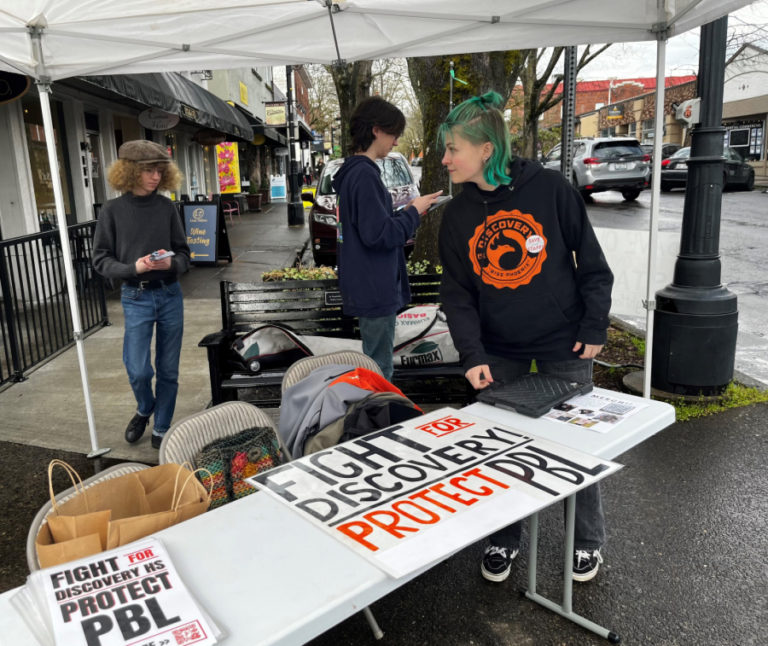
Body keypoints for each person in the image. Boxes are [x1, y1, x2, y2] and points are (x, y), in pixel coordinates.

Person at [437, 92, 614, 584]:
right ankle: (502, 536)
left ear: (486, 149)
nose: (446, 159)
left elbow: (593, 267)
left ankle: (586, 541)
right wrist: (471, 353)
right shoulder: (456, 216)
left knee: (577, 446)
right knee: (500, 449)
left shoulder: (552, 190)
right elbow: (457, 295)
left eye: (453, 149)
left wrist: (594, 326)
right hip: (498, 350)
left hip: (565, 342)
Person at [333, 96, 442, 380]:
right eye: (394, 134)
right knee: (380, 371)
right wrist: (413, 214)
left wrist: (407, 211)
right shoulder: (365, 176)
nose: (395, 142)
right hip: (375, 287)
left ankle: (374, 416)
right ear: (376, 130)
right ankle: (378, 420)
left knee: (376, 364)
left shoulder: (354, 174)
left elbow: (371, 227)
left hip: (366, 284)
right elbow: (379, 236)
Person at [93, 140, 191, 449]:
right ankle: (145, 407)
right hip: (136, 296)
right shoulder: (112, 211)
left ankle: (162, 425)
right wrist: (133, 268)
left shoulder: (166, 207)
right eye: (149, 170)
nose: (156, 177)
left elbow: (186, 255)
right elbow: (100, 260)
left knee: (168, 369)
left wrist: (171, 263)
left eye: (160, 171)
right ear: (130, 171)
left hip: (169, 294)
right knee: (137, 369)